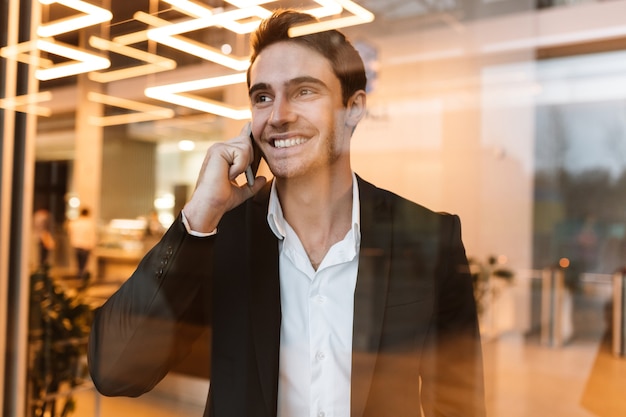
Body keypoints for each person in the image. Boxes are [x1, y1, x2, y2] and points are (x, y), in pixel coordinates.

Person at [88, 9, 486, 417]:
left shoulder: (427, 238)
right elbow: (116, 370)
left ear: (353, 109)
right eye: (263, 97)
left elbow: (457, 405)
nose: (278, 115)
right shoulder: (220, 238)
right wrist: (198, 218)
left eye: (303, 91)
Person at [67, 207, 97, 283]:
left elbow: (69, 229)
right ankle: (81, 279)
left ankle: (78, 276)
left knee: (78, 263)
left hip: (76, 245)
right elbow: (92, 236)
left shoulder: (75, 222)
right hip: (85, 246)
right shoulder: (89, 223)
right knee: (83, 264)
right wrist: (93, 246)